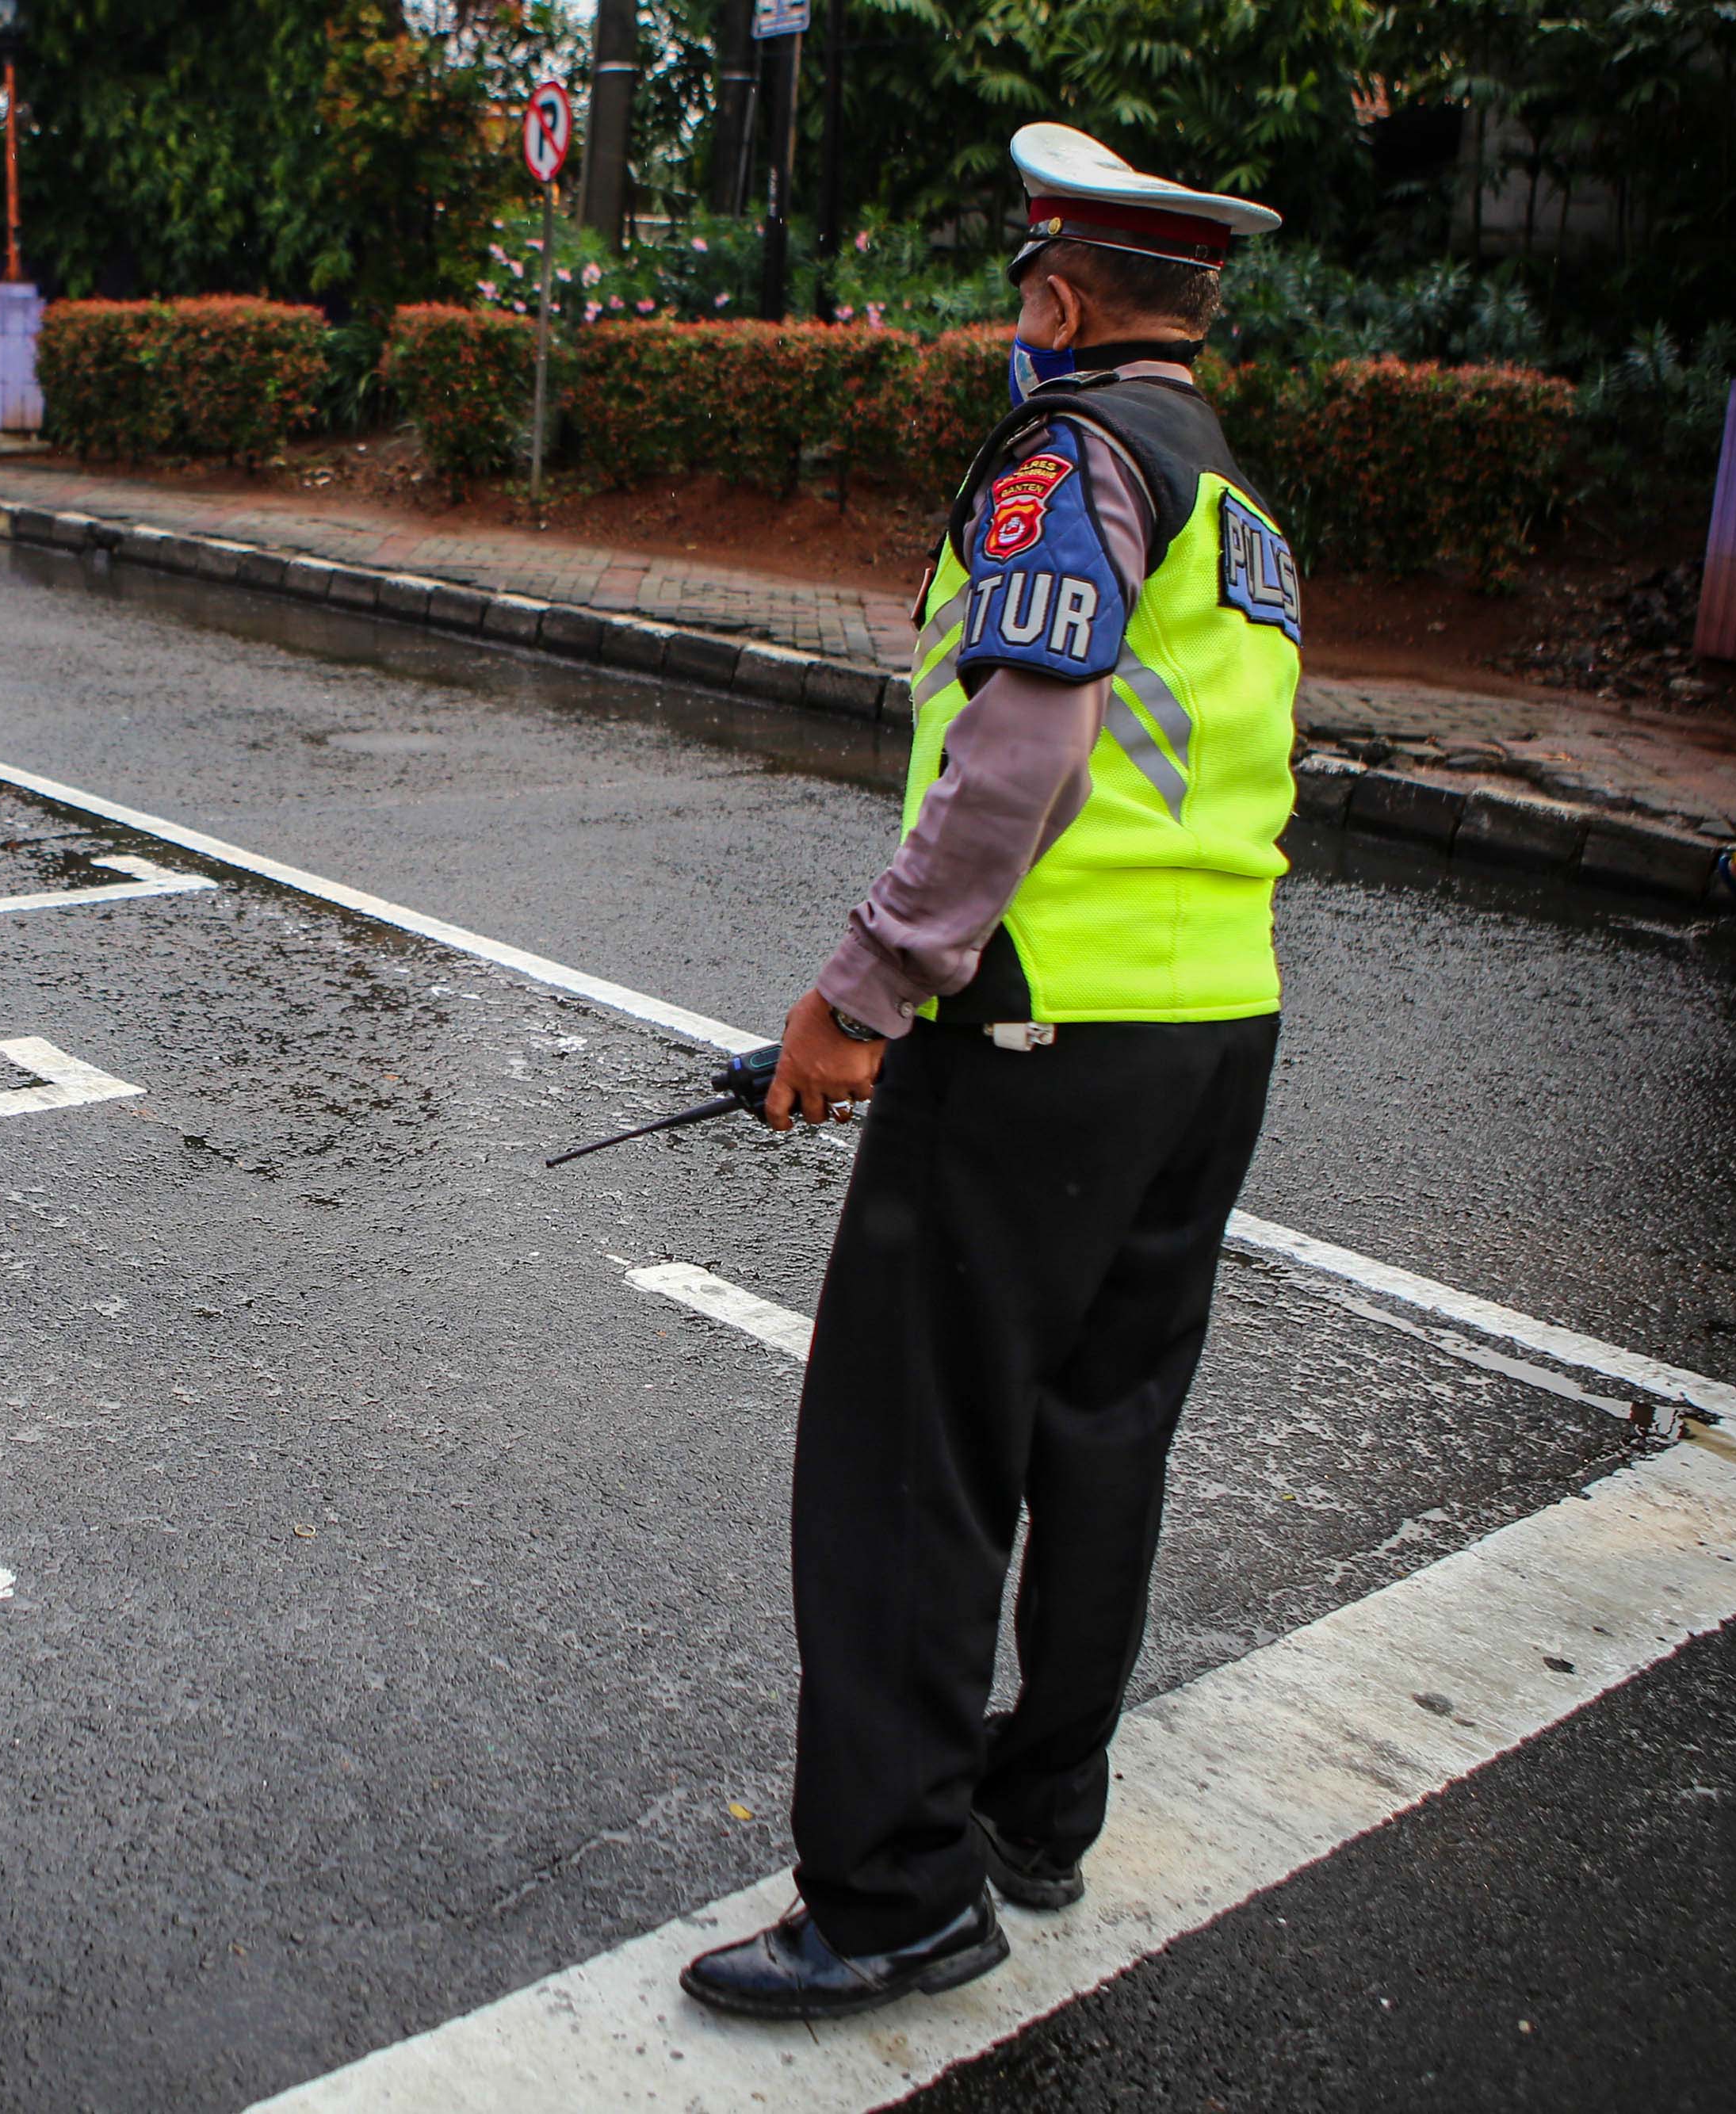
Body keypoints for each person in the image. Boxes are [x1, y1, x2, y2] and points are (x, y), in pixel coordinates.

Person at [677, 124, 1298, 2021]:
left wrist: (864, 995)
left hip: (1036, 1022)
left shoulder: (1067, 460)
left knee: (906, 1456)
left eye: (1019, 291)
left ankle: (891, 1895)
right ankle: (1039, 1813)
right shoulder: (1232, 498)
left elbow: (1022, 754)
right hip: (1210, 1023)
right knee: (1100, 1432)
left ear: (1058, 296)